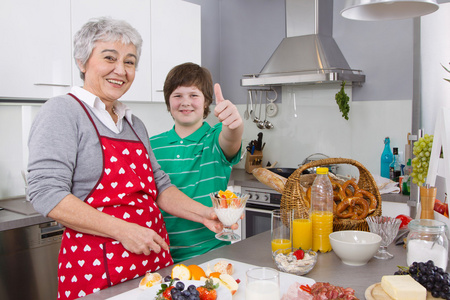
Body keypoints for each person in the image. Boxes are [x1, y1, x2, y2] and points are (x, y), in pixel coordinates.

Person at [27, 18, 226, 300]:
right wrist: (123, 231)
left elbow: (159, 186)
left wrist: (204, 213)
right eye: (110, 58)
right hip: (96, 270)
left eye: (130, 62)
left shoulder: (134, 124)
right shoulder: (62, 112)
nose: (121, 70)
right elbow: (45, 192)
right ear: (82, 61)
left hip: (152, 264)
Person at [150, 62, 244, 262]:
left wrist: (234, 125)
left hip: (212, 254)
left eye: (193, 95)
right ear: (168, 102)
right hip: (162, 256)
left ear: (206, 101)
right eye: (177, 95)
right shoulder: (151, 145)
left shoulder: (215, 138)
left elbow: (230, 138)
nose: (185, 102)